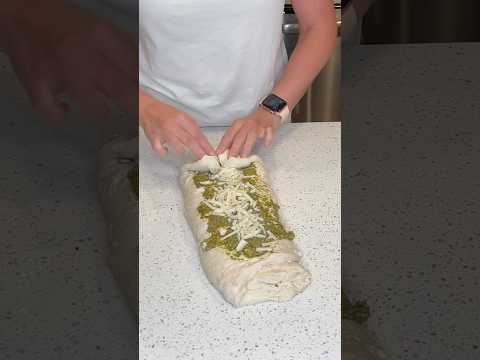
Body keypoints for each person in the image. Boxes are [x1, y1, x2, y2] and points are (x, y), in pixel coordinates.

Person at [139, 0, 337, 159]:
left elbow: (317, 26)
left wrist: (272, 109)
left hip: (262, 129)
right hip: (154, 131)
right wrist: (145, 108)